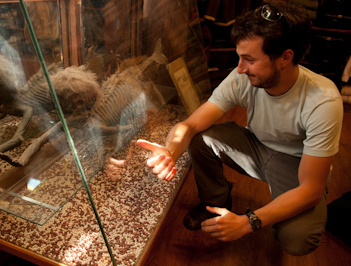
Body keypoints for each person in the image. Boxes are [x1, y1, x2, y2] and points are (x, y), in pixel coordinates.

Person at [137, 1, 343, 256]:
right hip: (256, 146)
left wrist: (249, 221)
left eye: (249, 59)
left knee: (297, 239)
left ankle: (274, 219)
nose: (240, 68)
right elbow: (190, 125)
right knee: (200, 137)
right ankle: (215, 204)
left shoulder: (323, 99)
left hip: (295, 163)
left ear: (285, 57)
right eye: (239, 57)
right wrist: (169, 151)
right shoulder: (243, 76)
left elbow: (311, 189)